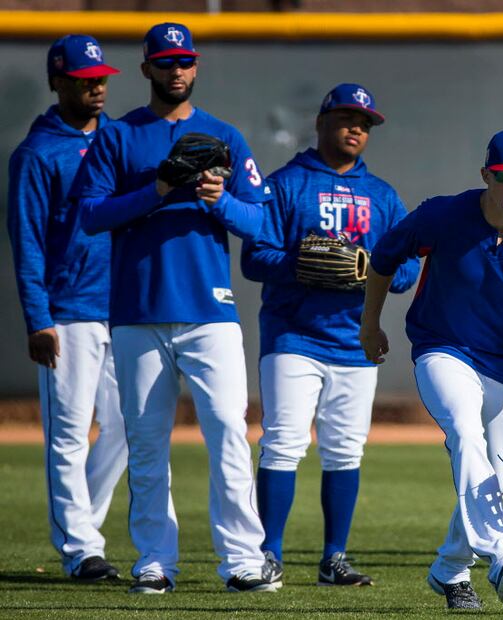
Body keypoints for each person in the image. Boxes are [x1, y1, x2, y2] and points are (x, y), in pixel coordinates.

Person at [71, 22, 275, 594]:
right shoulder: (118, 137)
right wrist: (157, 191)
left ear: (196, 66)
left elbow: (262, 222)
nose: (176, 70)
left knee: (229, 434)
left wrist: (219, 201)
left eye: (185, 61)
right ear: (146, 69)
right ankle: (155, 560)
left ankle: (242, 558)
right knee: (145, 442)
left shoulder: (224, 135)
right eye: (165, 62)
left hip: (210, 311)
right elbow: (89, 215)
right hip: (137, 310)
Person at [359, 128, 503, 612]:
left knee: (494, 476)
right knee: (465, 434)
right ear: (486, 175)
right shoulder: (443, 215)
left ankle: (449, 571)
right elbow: (383, 257)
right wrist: (369, 324)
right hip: (444, 349)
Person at [241, 83, 420, 588]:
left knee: (345, 450)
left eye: (365, 122)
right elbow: (254, 258)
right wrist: (302, 263)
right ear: (320, 123)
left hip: (355, 340)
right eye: (346, 118)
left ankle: (333, 559)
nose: (356, 128)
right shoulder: (285, 184)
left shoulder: (382, 197)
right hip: (293, 336)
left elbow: (406, 273)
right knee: (283, 444)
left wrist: (369, 272)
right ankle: (269, 554)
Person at [7, 34, 127, 583]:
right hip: (68, 311)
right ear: (58, 82)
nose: (95, 87)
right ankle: (80, 548)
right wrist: (39, 318)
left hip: (123, 307)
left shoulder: (119, 141)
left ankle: (87, 526)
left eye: (100, 78)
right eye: (83, 80)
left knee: (129, 426)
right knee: (69, 432)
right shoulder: (37, 154)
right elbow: (27, 241)